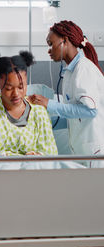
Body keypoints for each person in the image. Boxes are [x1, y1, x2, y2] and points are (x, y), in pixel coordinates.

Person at [28, 20, 104, 167]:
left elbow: (90, 111)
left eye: (51, 44)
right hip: (82, 151)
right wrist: (42, 120)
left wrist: (49, 104)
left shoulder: (84, 69)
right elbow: (74, 116)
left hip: (94, 151)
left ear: (65, 40)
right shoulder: (70, 71)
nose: (49, 50)